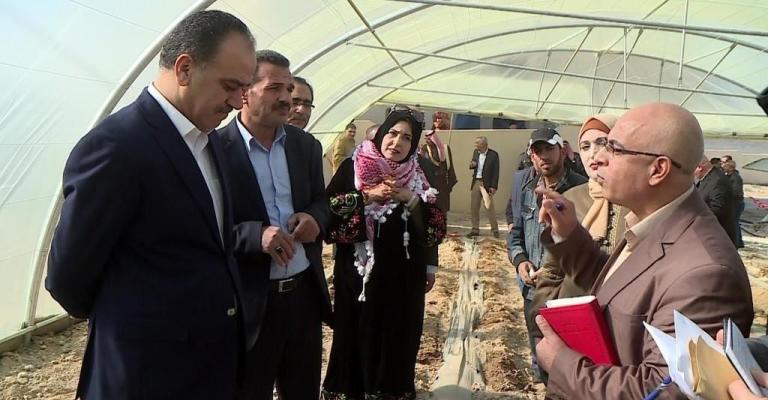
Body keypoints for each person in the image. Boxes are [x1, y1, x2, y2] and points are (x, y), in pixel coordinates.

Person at [45, 11, 256, 400]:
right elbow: (68, 281)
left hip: (210, 370)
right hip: (146, 375)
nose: (236, 101)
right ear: (185, 69)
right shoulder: (118, 146)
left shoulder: (209, 141)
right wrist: (136, 320)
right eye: (230, 86)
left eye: (244, 88)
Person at [533, 103, 753, 399]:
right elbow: (621, 287)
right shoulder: (652, 223)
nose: (598, 159)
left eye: (614, 148)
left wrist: (563, 365)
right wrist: (569, 235)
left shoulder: (706, 275)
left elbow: (663, 390)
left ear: (658, 170)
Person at [217, 50, 332, 400]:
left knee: (303, 390)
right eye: (274, 89)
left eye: (289, 89)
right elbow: (203, 225)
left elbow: (322, 200)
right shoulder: (216, 150)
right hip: (250, 303)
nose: (286, 98)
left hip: (303, 297)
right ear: (244, 92)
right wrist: (255, 235)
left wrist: (315, 218)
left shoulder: (305, 146)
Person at [322, 109, 446, 399]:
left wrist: (410, 198)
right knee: (355, 335)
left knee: (396, 339)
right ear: (381, 134)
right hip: (358, 279)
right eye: (392, 133)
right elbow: (327, 211)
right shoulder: (352, 167)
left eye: (407, 138)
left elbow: (435, 229)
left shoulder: (419, 173)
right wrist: (367, 197)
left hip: (403, 280)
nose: (397, 142)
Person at [530, 114, 629, 338]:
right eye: (585, 146)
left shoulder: (638, 202)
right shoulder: (571, 198)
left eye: (602, 143)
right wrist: (542, 316)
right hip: (573, 320)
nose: (593, 153)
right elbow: (552, 270)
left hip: (621, 325)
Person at [507, 127, 587, 382]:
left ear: (562, 151)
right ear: (531, 156)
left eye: (549, 149)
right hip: (533, 291)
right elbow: (516, 233)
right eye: (538, 151)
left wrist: (556, 270)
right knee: (540, 353)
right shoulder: (526, 188)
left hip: (568, 293)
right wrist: (520, 261)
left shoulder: (582, 189)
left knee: (570, 360)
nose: (544, 156)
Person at [419, 111, 458, 214]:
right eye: (426, 138)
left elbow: (449, 166)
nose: (428, 140)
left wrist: (450, 183)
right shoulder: (424, 149)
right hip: (429, 183)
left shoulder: (444, 149)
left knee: (442, 209)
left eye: (430, 138)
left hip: (442, 183)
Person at [695, 155, 737, 244]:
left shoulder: (718, 180)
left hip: (718, 238)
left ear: (700, 167)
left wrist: (694, 217)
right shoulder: (707, 178)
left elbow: (718, 208)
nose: (693, 174)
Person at [468, 136, 500, 237]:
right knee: (474, 207)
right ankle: (475, 229)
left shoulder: (493, 155)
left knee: (489, 207)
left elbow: (496, 172)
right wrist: (472, 164)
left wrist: (493, 186)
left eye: (477, 143)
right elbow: (472, 164)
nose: (475, 145)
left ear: (484, 145)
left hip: (487, 184)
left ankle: (495, 230)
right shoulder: (475, 152)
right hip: (476, 182)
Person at [723, 159, 745, 248]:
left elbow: (735, 192)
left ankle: (736, 242)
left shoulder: (736, 178)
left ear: (731, 168)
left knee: (734, 223)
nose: (724, 167)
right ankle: (738, 241)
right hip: (733, 204)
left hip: (737, 204)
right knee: (735, 223)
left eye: (726, 166)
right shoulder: (728, 176)